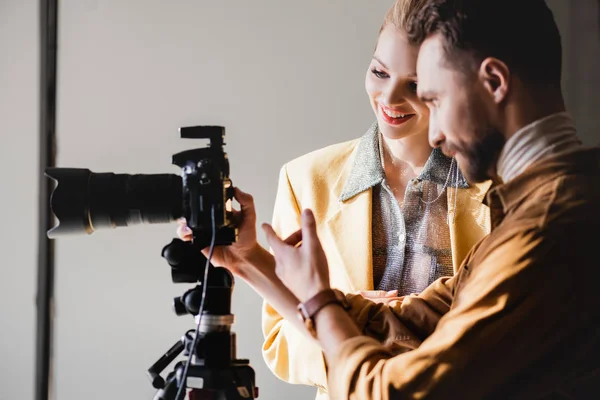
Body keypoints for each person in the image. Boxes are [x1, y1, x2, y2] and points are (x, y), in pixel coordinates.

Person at [181, 0, 599, 398]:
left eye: (432, 96)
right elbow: (397, 327)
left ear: (494, 82)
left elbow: (392, 393)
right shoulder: (539, 211)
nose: (436, 135)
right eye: (381, 73)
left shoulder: (547, 227)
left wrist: (321, 301)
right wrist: (247, 260)